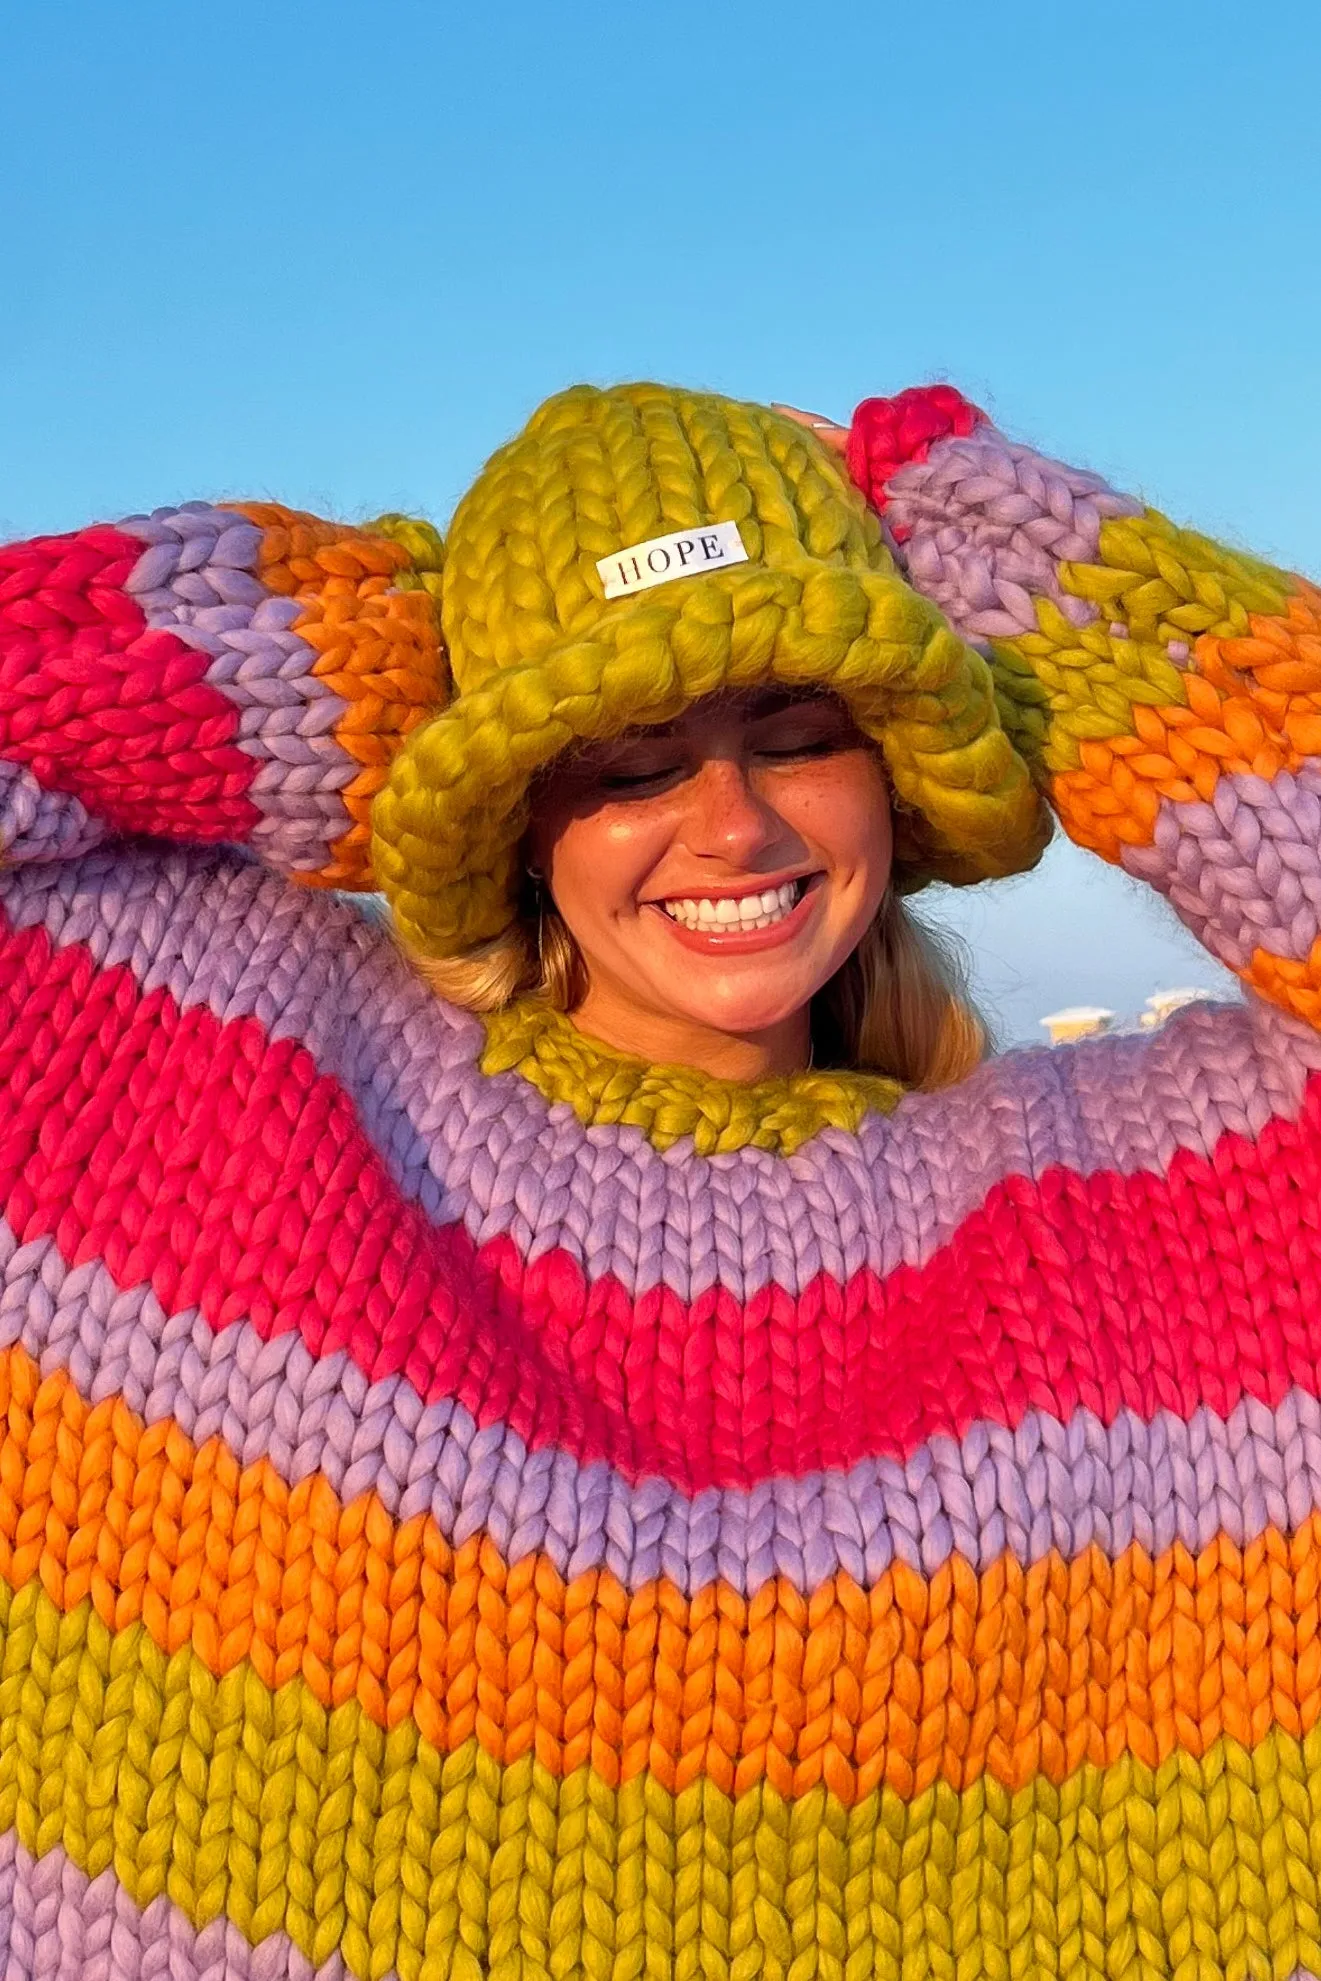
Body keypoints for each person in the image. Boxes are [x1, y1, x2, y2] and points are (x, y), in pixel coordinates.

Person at [1, 378, 1318, 1980]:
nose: (731, 822)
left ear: (894, 775)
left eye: (795, 734)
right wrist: (324, 653)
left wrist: (1030, 577)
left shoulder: (1163, 1211)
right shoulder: (208, 1082)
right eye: (623, 764)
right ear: (507, 810)